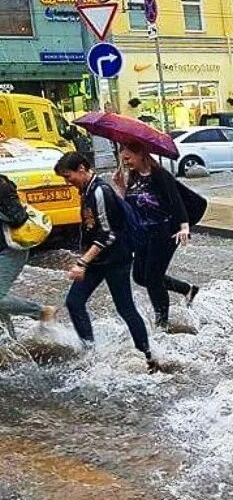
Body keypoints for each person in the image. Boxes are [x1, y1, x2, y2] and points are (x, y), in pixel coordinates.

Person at [53, 152, 156, 371]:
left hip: (116, 259)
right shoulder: (86, 190)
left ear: (82, 168)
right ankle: (90, 352)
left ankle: (147, 355)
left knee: (125, 308)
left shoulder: (100, 191)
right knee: (74, 302)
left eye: (68, 176)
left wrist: (82, 262)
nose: (67, 182)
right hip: (98, 260)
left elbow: (109, 234)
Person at [115, 143, 198, 329]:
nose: (126, 163)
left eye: (128, 158)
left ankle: (162, 324)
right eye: (123, 159)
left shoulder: (160, 175)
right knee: (139, 277)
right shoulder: (133, 177)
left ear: (141, 154)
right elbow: (128, 207)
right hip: (143, 234)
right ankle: (187, 289)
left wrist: (184, 227)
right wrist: (121, 187)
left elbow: (176, 202)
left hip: (165, 232)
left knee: (153, 278)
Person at [0, 173, 56, 336]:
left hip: (10, 250)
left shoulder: (2, 186)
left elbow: (18, 217)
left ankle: (42, 312)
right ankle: (9, 344)